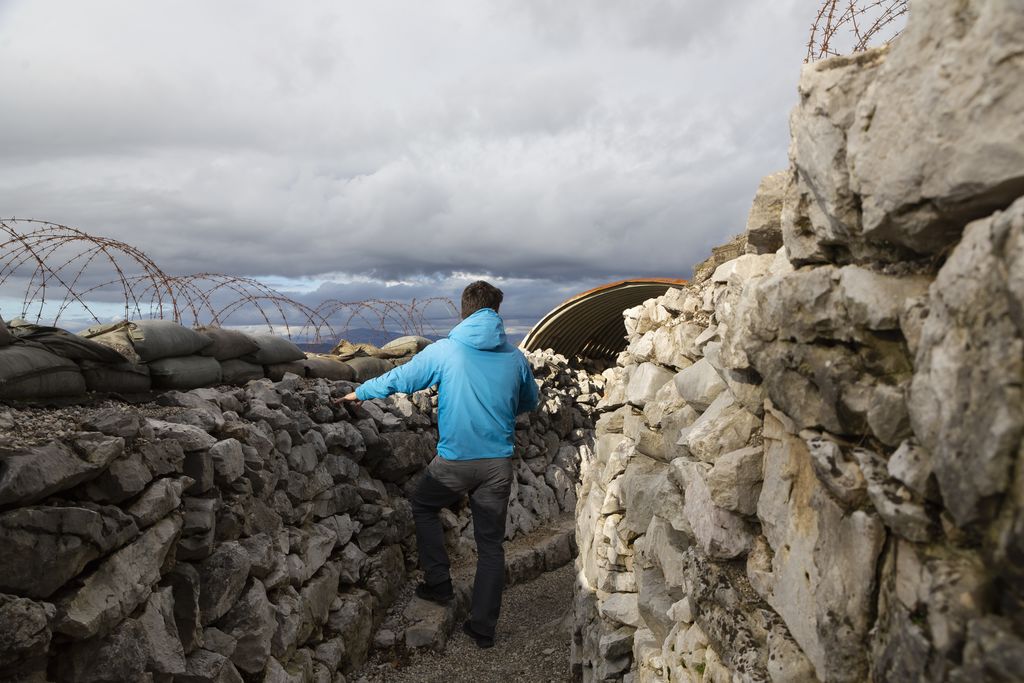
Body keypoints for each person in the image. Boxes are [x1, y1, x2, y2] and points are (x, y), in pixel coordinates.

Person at [339, 281, 539, 648]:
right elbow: (530, 400)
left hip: (454, 461)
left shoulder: (447, 351)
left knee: (423, 503)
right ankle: (482, 628)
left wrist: (360, 391)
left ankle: (439, 584)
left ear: (463, 310)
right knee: (491, 546)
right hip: (498, 463)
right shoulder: (514, 357)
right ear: (496, 312)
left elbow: (402, 378)